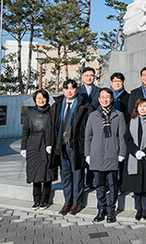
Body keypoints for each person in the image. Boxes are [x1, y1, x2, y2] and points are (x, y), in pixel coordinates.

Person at [45, 80, 92, 216]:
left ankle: (77, 202)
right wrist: (50, 143)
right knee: (65, 174)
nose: (69, 91)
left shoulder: (84, 105)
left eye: (72, 88)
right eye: (66, 88)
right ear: (63, 90)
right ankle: (67, 201)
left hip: (77, 145)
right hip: (61, 144)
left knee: (77, 173)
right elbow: (51, 125)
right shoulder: (58, 105)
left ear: (77, 90)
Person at [85, 88, 127, 223]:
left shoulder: (118, 115)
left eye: (107, 97)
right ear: (98, 99)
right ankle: (101, 209)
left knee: (113, 184)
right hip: (96, 155)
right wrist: (88, 154)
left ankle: (111, 210)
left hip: (112, 154)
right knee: (100, 185)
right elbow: (88, 137)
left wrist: (121, 153)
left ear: (111, 99)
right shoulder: (93, 116)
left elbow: (122, 136)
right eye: (102, 97)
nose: (105, 100)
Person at [122, 98, 146, 221]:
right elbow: (127, 138)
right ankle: (138, 209)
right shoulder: (132, 121)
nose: (142, 109)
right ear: (136, 108)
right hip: (135, 157)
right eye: (140, 106)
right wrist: (135, 151)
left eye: (145, 106)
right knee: (137, 187)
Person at [20, 89, 57, 210]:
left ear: (47, 99)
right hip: (33, 144)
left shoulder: (52, 112)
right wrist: (23, 147)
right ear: (35, 100)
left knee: (47, 173)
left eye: (43, 98)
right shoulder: (30, 113)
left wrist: (51, 143)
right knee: (35, 173)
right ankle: (36, 199)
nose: (41, 100)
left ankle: (44, 200)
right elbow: (25, 131)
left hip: (47, 143)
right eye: (38, 98)